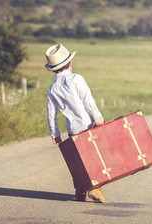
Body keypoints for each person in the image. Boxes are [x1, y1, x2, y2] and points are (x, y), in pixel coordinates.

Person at [45, 43, 106, 203]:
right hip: (87, 125)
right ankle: (94, 189)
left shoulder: (52, 88)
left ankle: (80, 191)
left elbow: (51, 114)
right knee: (92, 158)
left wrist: (55, 133)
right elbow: (88, 100)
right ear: (69, 63)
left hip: (72, 128)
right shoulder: (76, 79)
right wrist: (98, 116)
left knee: (78, 160)